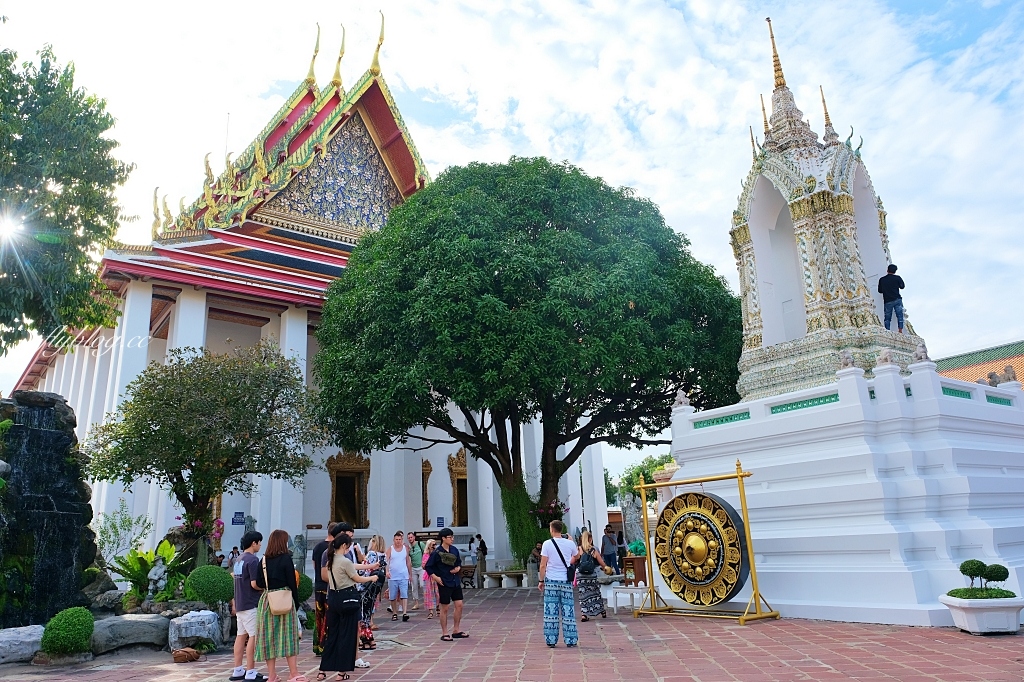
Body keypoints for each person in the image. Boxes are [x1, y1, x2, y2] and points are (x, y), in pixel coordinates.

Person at [317, 534, 378, 682]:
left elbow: (352, 566)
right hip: (347, 599)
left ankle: (322, 671)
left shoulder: (331, 559)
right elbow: (356, 577)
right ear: (344, 546)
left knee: (332, 636)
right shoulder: (344, 561)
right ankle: (341, 672)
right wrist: (371, 577)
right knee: (348, 636)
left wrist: (370, 566)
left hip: (333, 599)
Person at [253, 529, 303, 682]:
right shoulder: (286, 558)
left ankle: (272, 675)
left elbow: (259, 583)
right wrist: (296, 601)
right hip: (285, 598)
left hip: (267, 600)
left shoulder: (263, 560)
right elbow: (292, 583)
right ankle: (293, 673)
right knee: (289, 636)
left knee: (268, 637)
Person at [229, 531, 265, 682]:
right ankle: (250, 671)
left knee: (240, 636)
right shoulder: (253, 560)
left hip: (240, 603)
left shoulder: (238, 559)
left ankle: (238, 669)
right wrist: (264, 588)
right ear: (254, 543)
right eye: (259, 542)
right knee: (253, 636)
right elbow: (254, 584)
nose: (260, 545)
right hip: (251, 603)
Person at [539, 519, 580, 648]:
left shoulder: (547, 544)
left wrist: (541, 580)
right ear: (561, 530)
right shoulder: (569, 544)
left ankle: (551, 639)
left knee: (551, 611)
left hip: (551, 580)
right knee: (568, 611)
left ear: (551, 529)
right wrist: (571, 542)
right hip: (566, 581)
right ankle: (571, 640)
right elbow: (577, 556)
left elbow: (542, 565)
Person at [424, 528, 468, 641]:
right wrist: (436, 577)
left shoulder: (454, 550)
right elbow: (428, 566)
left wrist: (458, 568)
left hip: (455, 581)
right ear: (443, 538)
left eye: (452, 537)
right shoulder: (437, 552)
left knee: (459, 604)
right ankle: (444, 633)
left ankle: (456, 630)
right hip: (444, 582)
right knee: (445, 607)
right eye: (450, 537)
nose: (452, 539)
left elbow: (458, 562)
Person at [310, 526, 334, 656]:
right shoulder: (333, 548)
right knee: (329, 617)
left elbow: (315, 565)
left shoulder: (318, 547)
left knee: (319, 616)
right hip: (329, 585)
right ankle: (326, 645)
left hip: (319, 584)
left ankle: (318, 645)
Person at [359, 535, 386, 644]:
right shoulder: (383, 555)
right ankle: (369, 638)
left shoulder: (371, 554)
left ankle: (365, 637)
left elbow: (364, 571)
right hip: (375, 587)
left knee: (362, 613)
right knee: (368, 612)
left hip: (366, 585)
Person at [577, 530, 609, 622]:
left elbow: (573, 560)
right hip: (591, 575)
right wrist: (606, 568)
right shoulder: (593, 550)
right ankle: (601, 610)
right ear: (590, 539)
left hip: (581, 576)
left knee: (583, 595)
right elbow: (602, 563)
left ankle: (584, 614)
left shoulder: (579, 549)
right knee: (595, 593)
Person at [386, 530, 413, 622]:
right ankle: (394, 612)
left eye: (400, 539)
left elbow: (408, 562)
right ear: (394, 540)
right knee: (392, 596)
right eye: (396, 539)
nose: (398, 541)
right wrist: (387, 571)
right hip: (393, 576)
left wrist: (410, 574)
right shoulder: (390, 549)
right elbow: (386, 562)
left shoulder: (405, 549)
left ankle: (404, 612)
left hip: (403, 575)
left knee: (404, 594)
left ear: (402, 540)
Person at [878, 263, 906, 333]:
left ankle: (888, 331)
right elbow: (902, 286)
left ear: (887, 270)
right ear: (895, 271)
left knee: (887, 317)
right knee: (900, 315)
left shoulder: (882, 280)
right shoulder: (897, 278)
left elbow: (880, 290)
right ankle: (900, 330)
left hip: (887, 300)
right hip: (897, 299)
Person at [407, 531, 425, 611]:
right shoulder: (409, 548)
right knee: (414, 586)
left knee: (422, 584)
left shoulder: (420, 544)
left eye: (411, 537)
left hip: (421, 567)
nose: (410, 539)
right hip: (413, 568)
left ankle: (426, 600)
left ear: (414, 537)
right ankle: (416, 603)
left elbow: (426, 553)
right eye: (409, 538)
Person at [421, 539, 439, 618]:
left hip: (437, 575)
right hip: (428, 576)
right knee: (429, 594)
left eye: (435, 544)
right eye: (432, 545)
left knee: (438, 593)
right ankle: (431, 611)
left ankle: (438, 608)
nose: (434, 546)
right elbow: (424, 566)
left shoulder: (438, 554)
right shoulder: (426, 555)